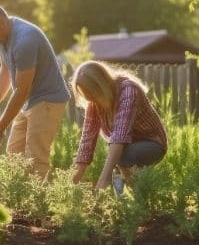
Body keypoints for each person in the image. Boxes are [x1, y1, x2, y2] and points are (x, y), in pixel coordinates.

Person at [0, 2, 71, 179]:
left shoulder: (25, 40)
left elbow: (22, 90)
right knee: (14, 155)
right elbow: (5, 74)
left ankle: (41, 204)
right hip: (29, 101)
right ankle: (19, 202)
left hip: (47, 100)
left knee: (35, 159)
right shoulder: (3, 38)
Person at [71, 60, 167, 192]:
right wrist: (71, 183)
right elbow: (87, 142)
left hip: (152, 143)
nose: (91, 100)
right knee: (117, 158)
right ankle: (123, 199)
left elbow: (119, 137)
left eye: (93, 95)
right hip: (125, 147)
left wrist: (104, 179)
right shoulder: (94, 103)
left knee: (119, 156)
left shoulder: (128, 91)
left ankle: (140, 191)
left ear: (101, 86)